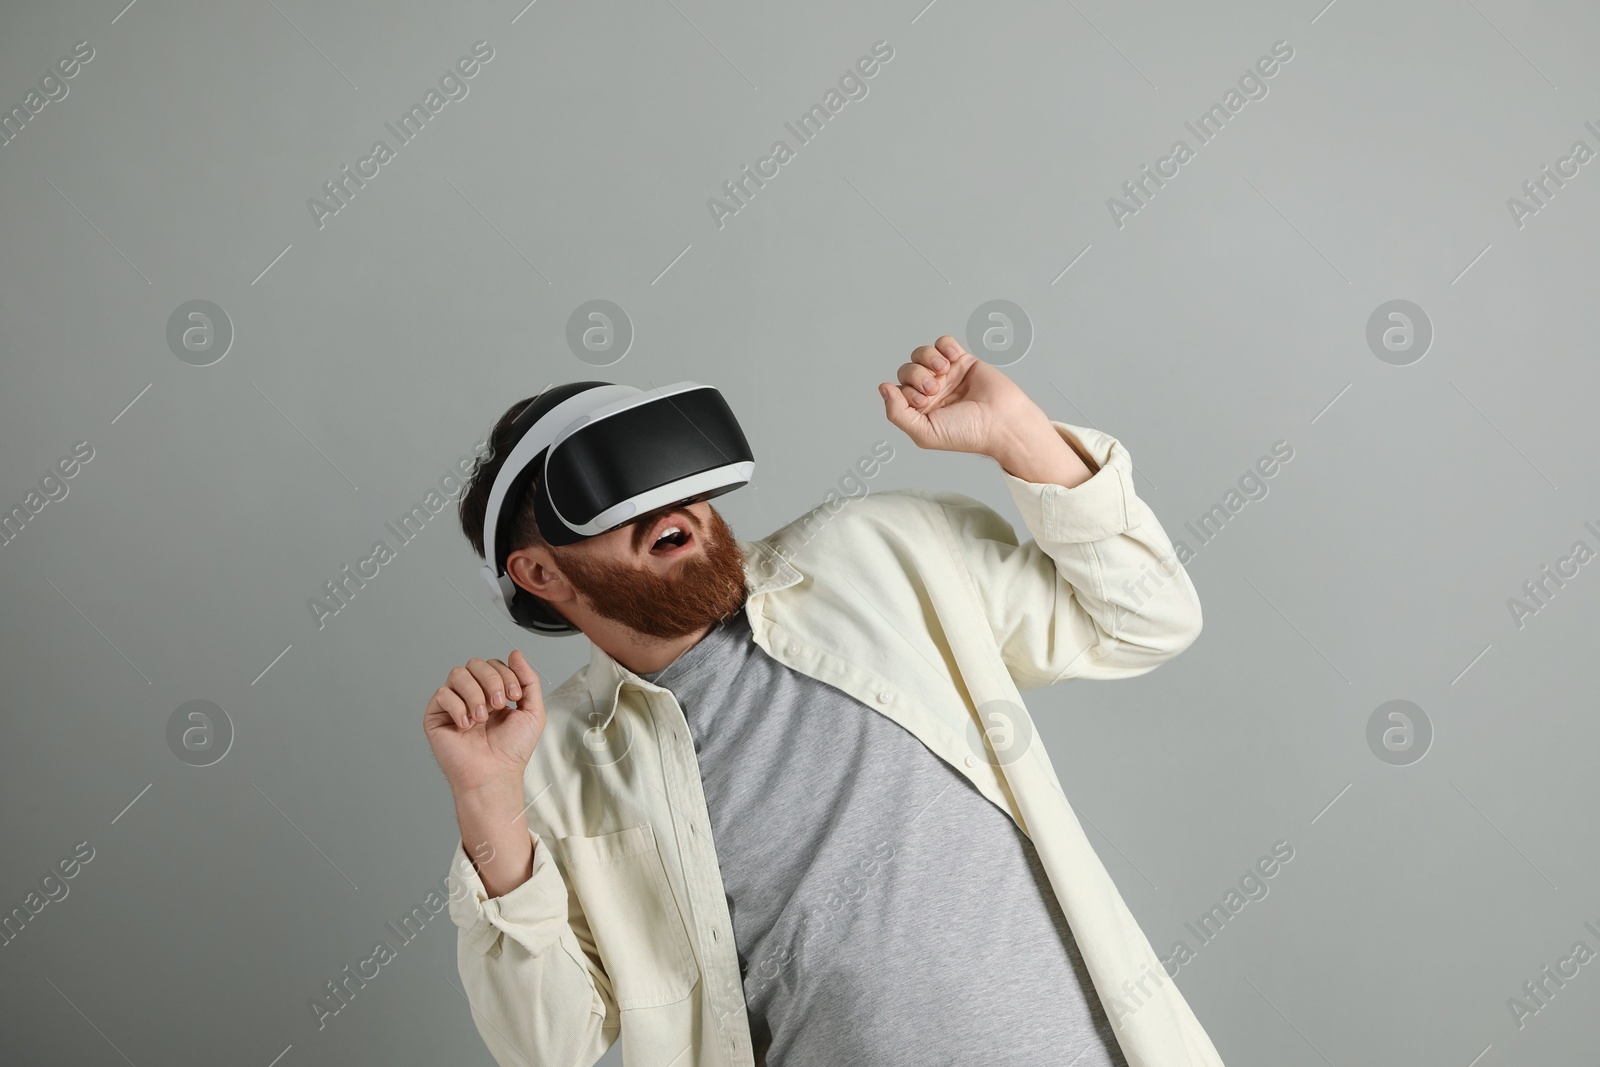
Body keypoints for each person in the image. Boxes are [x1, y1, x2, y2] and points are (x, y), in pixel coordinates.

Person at [424, 336, 1226, 1066]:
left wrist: (1022, 435)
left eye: (669, 473)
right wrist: (490, 806)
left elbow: (1146, 619)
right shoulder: (554, 761)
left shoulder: (879, 553)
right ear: (539, 574)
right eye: (616, 499)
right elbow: (546, 1043)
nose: (667, 508)